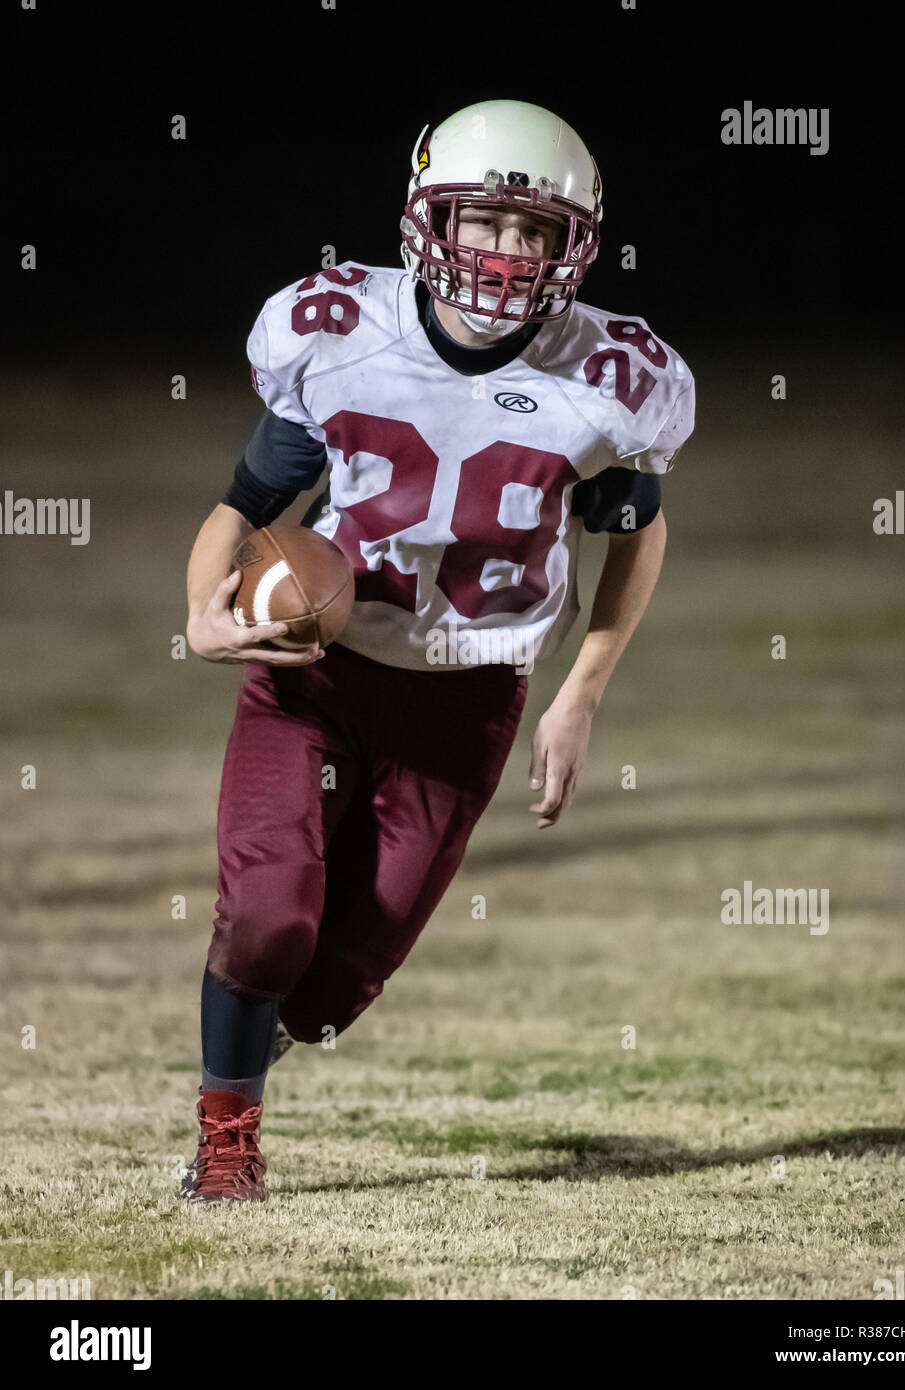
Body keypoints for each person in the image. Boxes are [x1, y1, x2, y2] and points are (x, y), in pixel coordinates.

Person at [181, 99, 695, 1202]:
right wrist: (198, 608)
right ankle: (227, 1141)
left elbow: (637, 535)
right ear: (428, 218)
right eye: (485, 221)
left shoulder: (605, 382)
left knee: (328, 989)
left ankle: (268, 1028)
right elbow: (247, 498)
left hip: (468, 697)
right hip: (313, 673)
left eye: (534, 232)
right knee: (272, 917)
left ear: (574, 247)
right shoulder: (340, 331)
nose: (506, 253)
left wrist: (581, 692)